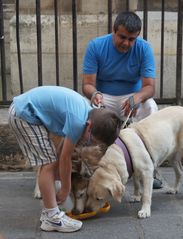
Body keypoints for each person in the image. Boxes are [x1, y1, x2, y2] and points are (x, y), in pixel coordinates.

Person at [8, 86, 121, 233]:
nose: (90, 144)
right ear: (89, 126)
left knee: (50, 161)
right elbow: (65, 158)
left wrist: (57, 177)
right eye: (92, 140)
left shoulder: (86, 114)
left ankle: (49, 212)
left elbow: (62, 149)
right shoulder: (78, 122)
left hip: (24, 111)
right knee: (48, 163)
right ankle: (52, 218)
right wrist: (65, 188)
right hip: (23, 115)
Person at [82, 11, 162, 189]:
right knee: (86, 113)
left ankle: (151, 169)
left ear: (138, 36)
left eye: (132, 39)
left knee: (151, 107)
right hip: (104, 96)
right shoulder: (96, 46)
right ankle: (91, 166)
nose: (126, 43)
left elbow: (149, 87)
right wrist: (95, 94)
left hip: (132, 96)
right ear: (113, 31)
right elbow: (87, 84)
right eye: (122, 37)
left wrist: (138, 97)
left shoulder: (144, 48)